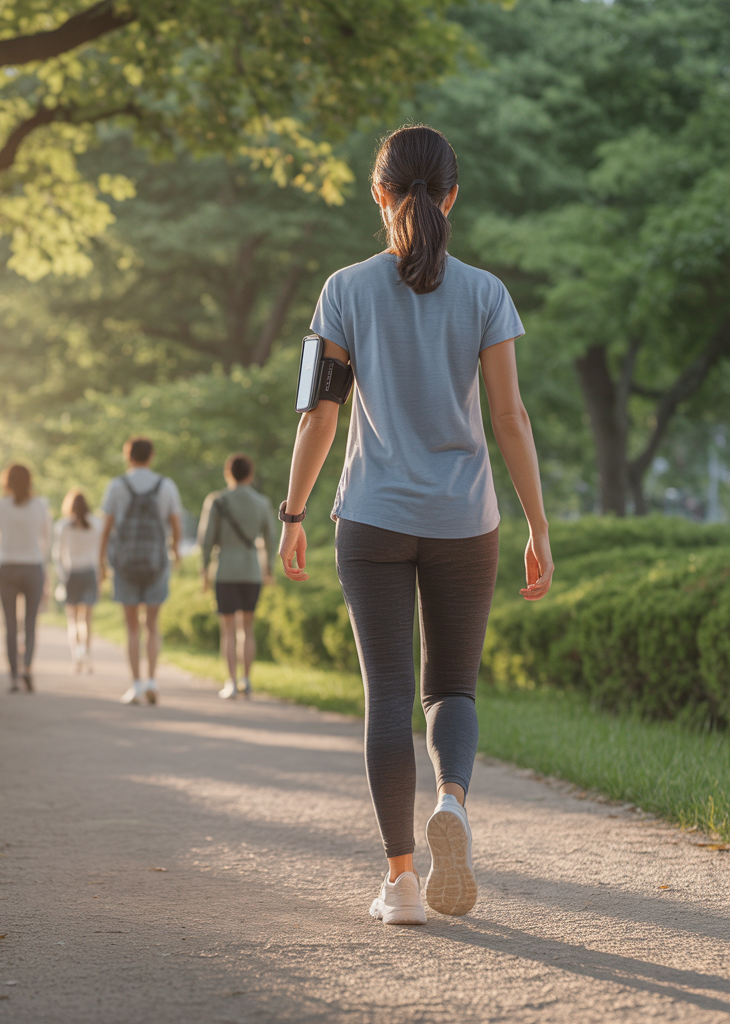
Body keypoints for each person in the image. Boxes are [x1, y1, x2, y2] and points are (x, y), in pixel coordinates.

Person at [278, 125, 554, 926]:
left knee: (388, 694)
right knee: (451, 688)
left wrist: (293, 512)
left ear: (379, 193)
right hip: (467, 519)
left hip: (371, 518)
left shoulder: (344, 289)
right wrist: (537, 525)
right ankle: (455, 804)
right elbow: (511, 418)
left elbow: (317, 418)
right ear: (453, 196)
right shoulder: (486, 293)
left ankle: (401, 882)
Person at [99, 437, 182, 705]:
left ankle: (135, 684)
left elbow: (107, 528)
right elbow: (176, 524)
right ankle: (152, 681)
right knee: (152, 625)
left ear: (128, 456)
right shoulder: (166, 485)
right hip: (156, 563)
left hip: (125, 564)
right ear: (152, 456)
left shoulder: (117, 486)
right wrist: (175, 551)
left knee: (132, 627)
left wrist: (102, 561)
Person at [198, 454, 275, 699]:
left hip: (226, 571)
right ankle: (247, 680)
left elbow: (206, 538)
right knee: (247, 630)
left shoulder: (217, 500)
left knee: (228, 631)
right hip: (252, 571)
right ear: (250, 474)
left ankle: (231, 682)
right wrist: (269, 568)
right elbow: (272, 538)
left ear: (228, 473)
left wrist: (204, 567)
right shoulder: (262, 502)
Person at [0, 463, 52, 693]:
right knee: (30, 623)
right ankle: (27, 669)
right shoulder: (41, 506)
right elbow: (47, 542)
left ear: (6, 482)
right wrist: (46, 571)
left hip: (7, 569)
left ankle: (13, 676)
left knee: (9, 625)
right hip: (33, 568)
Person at [53, 488, 102, 673]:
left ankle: (76, 656)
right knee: (87, 619)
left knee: (72, 619)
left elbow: (57, 555)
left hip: (71, 573)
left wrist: (62, 575)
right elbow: (99, 554)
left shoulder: (63, 525)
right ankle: (86, 654)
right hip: (90, 573)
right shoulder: (96, 524)